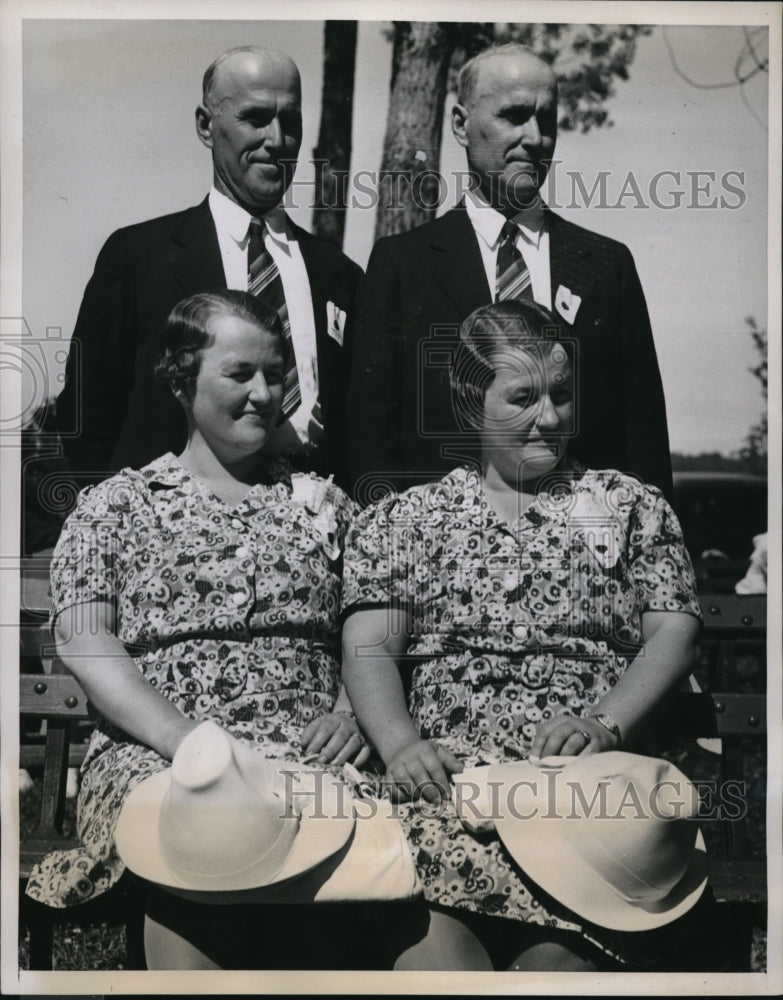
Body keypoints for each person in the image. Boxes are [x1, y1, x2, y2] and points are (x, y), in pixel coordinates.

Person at [341, 299, 707, 971]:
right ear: (468, 404)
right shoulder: (408, 520)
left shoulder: (630, 507)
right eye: (522, 397)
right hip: (450, 792)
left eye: (561, 396)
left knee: (553, 974)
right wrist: (398, 745)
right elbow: (370, 644)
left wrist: (604, 724)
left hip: (584, 791)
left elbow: (673, 633)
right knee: (437, 976)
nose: (549, 418)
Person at [26, 290, 365, 969]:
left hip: (306, 747)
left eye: (275, 375)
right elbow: (87, 641)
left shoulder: (323, 503)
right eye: (240, 375)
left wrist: (354, 710)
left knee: (341, 829)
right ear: (181, 380)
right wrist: (190, 744)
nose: (264, 394)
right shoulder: (116, 508)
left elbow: (373, 630)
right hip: (161, 749)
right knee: (199, 813)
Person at [347, 42, 672, 502]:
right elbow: (371, 441)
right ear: (461, 124)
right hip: (441, 560)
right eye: (514, 116)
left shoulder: (606, 265)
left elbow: (644, 441)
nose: (535, 137)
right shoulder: (401, 265)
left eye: (546, 119)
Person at [56, 47, 362, 490]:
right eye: (255, 118)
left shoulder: (340, 274)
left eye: (290, 122)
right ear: (206, 126)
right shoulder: (138, 258)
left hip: (310, 540)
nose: (276, 140)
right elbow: (85, 415)